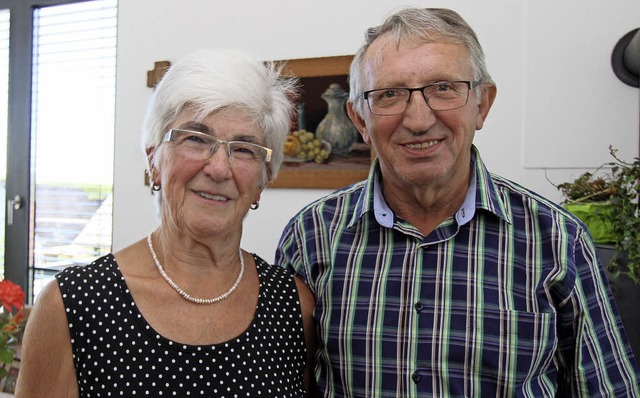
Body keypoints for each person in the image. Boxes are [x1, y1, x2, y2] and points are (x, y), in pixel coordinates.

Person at [276, 7, 640, 397]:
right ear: (360, 120)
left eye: (443, 88)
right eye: (389, 94)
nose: (418, 119)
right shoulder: (311, 235)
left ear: (482, 104)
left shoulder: (558, 240)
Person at [16, 48, 316, 397]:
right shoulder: (72, 305)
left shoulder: (293, 305)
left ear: (264, 179)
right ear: (153, 161)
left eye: (244, 149)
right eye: (195, 139)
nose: (219, 168)